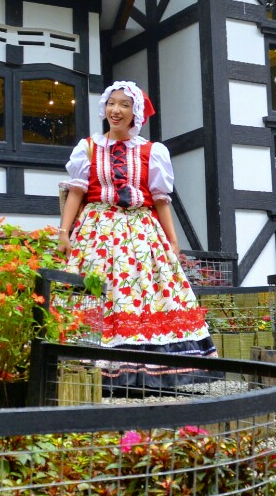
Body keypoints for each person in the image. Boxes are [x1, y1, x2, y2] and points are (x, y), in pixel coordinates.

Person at [57, 81, 216, 386]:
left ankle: (150, 370)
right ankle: (85, 367)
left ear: (135, 113)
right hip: (96, 232)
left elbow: (160, 199)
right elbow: (76, 193)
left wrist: (172, 240)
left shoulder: (152, 151)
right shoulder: (88, 148)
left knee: (146, 293)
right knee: (95, 292)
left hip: (141, 233)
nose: (115, 110)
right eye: (111, 103)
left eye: (124, 105)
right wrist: (64, 232)